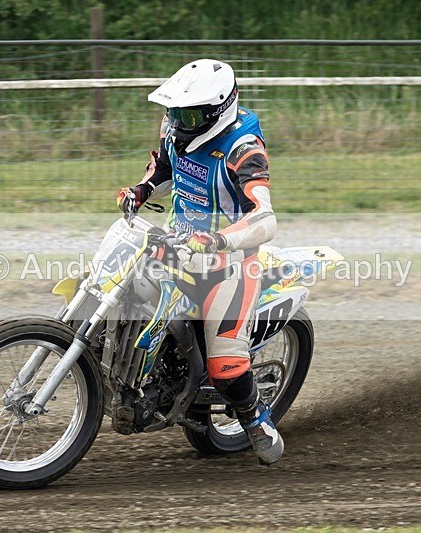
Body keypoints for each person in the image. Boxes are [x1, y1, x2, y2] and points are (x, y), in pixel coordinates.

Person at [116, 59, 282, 464]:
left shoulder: (244, 150)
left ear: (218, 111)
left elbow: (264, 217)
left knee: (226, 364)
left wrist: (219, 239)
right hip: (176, 243)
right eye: (175, 112)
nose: (179, 121)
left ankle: (256, 419)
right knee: (118, 292)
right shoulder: (174, 125)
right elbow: (166, 164)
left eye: (189, 114)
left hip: (229, 261)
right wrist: (142, 188)